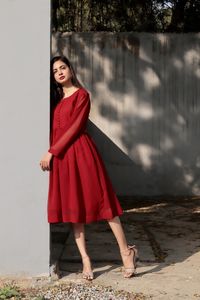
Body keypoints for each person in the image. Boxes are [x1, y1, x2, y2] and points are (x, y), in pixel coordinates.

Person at [39, 55, 139, 280]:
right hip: (64, 159)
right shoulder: (56, 102)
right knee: (74, 210)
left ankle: (127, 253)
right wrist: (55, 152)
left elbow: (75, 128)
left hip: (82, 153)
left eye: (63, 67)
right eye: (55, 71)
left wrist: (51, 151)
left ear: (71, 70)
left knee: (105, 204)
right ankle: (86, 261)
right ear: (53, 78)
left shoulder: (82, 95)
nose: (60, 72)